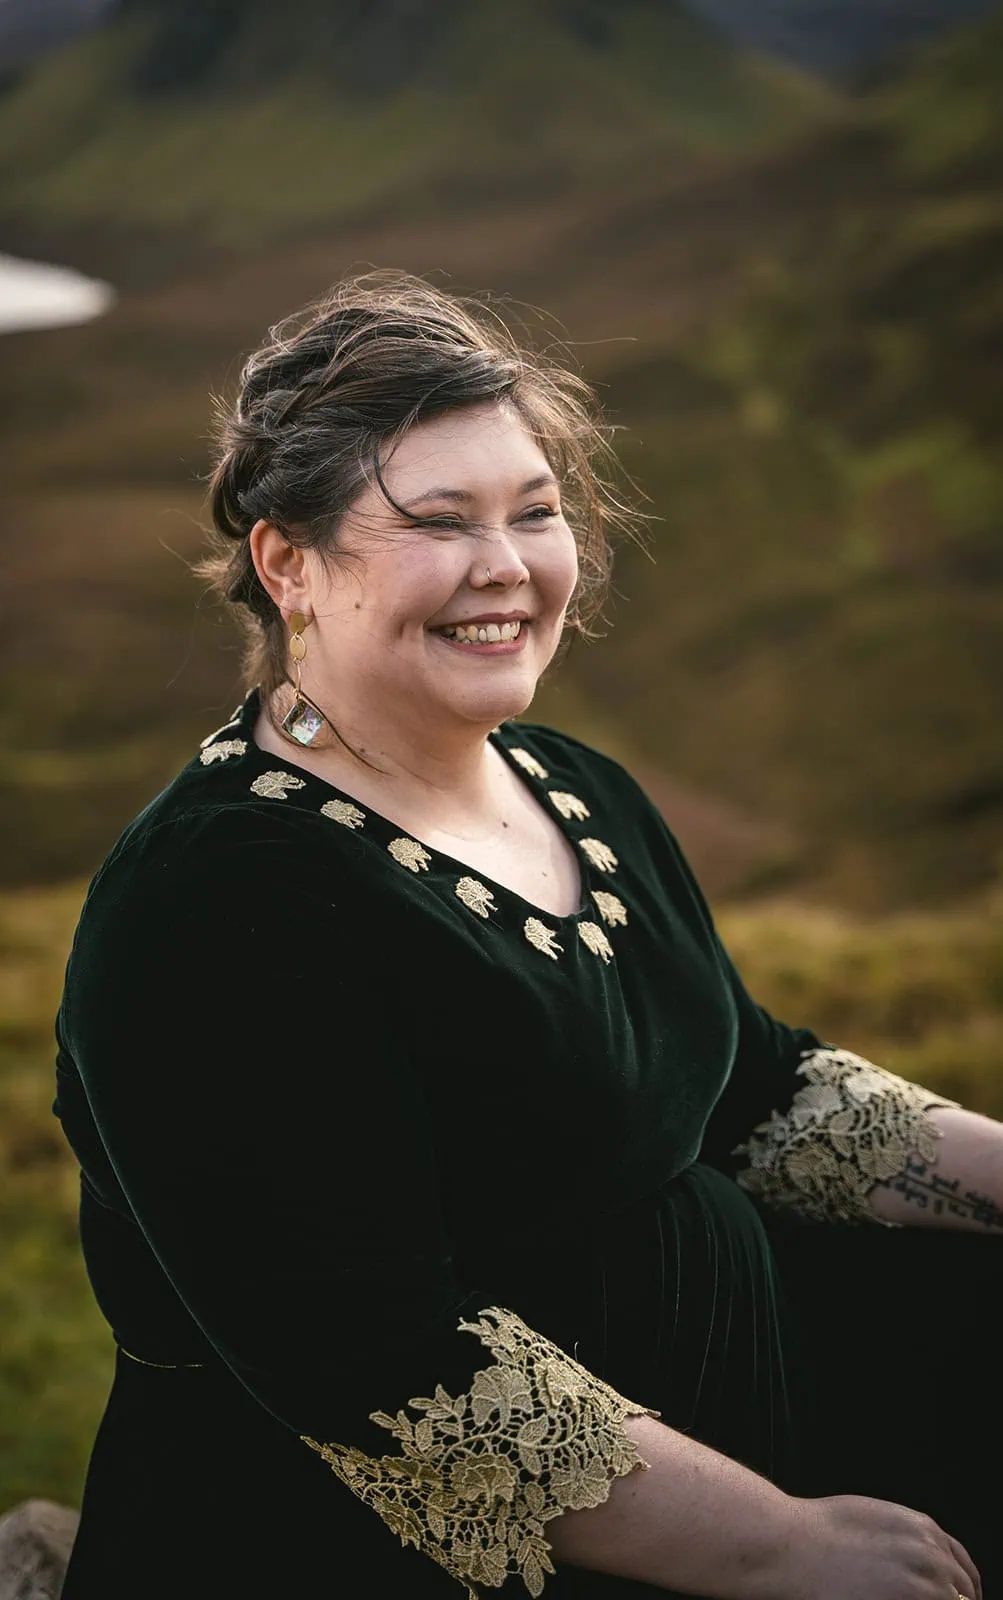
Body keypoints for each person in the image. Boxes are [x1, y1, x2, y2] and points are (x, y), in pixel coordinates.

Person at [53, 272, 1001, 1599]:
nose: (505, 567)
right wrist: (774, 1545)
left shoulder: (570, 785)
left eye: (536, 512)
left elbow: (753, 1091)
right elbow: (375, 1364)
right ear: (287, 564)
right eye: (438, 522)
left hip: (706, 1487)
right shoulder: (216, 897)